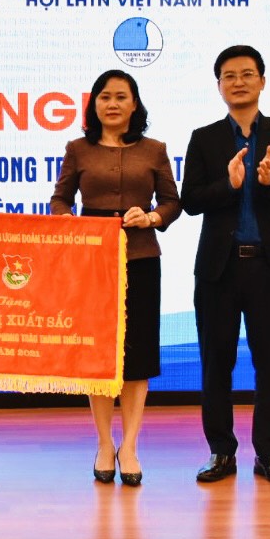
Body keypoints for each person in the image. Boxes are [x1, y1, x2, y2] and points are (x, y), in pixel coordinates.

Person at [181, 44, 270, 486]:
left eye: (247, 74)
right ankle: (221, 452)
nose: (238, 82)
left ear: (262, 81)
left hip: (269, 268)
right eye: (229, 76)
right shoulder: (204, 138)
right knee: (216, 362)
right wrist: (229, 184)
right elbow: (191, 200)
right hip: (219, 270)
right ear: (219, 86)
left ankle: (269, 454)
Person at [50, 69, 180, 487]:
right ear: (94, 105)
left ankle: (131, 446)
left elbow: (172, 202)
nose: (112, 104)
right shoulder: (78, 149)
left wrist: (153, 217)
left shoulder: (155, 150)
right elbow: (60, 199)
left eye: (121, 97)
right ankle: (105, 443)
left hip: (140, 257)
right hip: (92, 260)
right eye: (105, 97)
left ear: (134, 104)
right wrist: (66, 221)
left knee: (137, 356)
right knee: (99, 354)